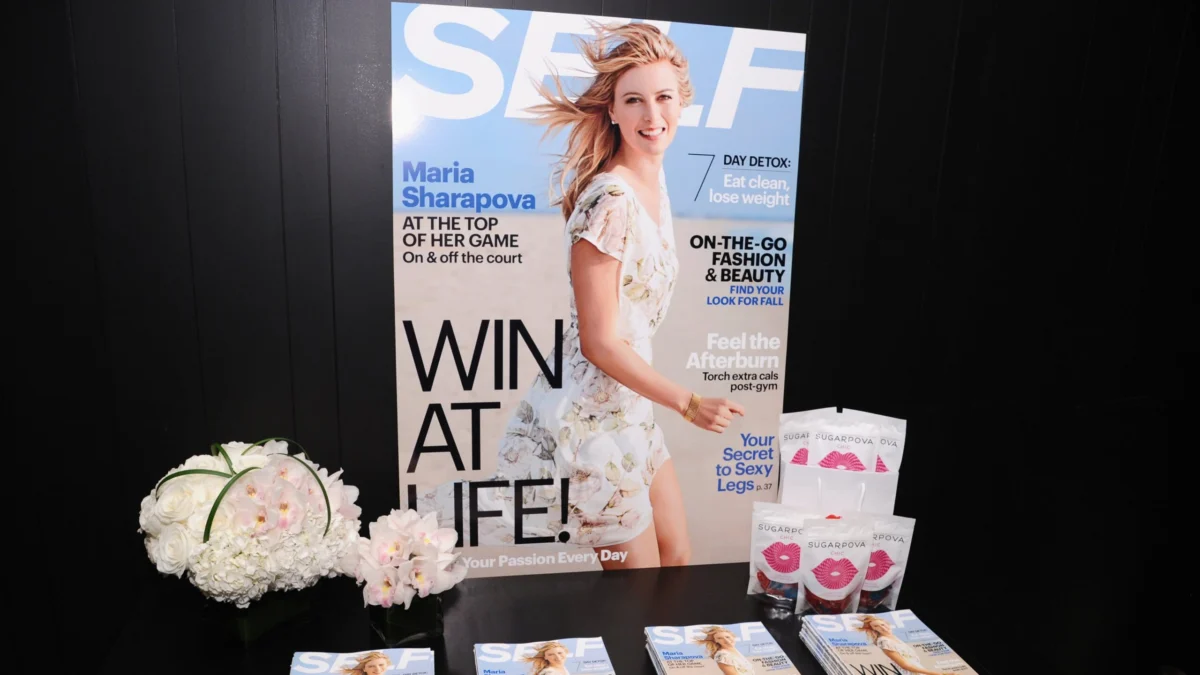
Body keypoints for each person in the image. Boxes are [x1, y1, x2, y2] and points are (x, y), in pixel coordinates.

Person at [854, 615, 954, 675]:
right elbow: (904, 665)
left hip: (918, 670)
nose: (882, 627)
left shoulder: (894, 637)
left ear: (887, 623)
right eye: (876, 626)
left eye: (882, 624)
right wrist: (938, 674)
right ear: (874, 629)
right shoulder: (884, 641)